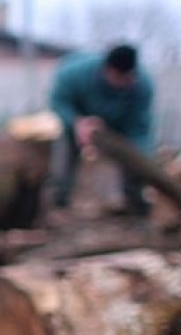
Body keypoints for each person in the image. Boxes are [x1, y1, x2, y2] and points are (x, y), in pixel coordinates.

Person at [49, 43, 155, 215]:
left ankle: (135, 204)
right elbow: (58, 102)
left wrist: (144, 160)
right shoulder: (75, 73)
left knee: (134, 159)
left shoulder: (143, 85)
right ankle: (60, 202)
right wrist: (75, 122)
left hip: (121, 125)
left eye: (127, 78)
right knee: (63, 161)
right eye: (118, 77)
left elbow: (141, 128)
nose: (122, 83)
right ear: (106, 69)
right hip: (79, 118)